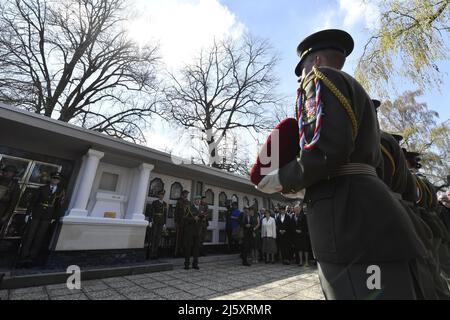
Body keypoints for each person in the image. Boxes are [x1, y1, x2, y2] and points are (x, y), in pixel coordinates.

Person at [255, 29, 428, 299]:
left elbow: (326, 150)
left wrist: (282, 178)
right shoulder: (355, 92)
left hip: (346, 223)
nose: (301, 80)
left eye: (302, 72)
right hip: (371, 216)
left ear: (316, 63)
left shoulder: (320, 80)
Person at [19, 172, 65, 267]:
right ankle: (24, 255)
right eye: (54, 178)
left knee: (40, 236)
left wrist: (54, 217)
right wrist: (29, 213)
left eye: (57, 179)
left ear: (59, 181)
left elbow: (59, 206)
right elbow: (33, 201)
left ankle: (32, 256)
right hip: (37, 213)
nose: (55, 180)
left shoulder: (60, 191)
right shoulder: (42, 188)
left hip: (48, 216)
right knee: (30, 234)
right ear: (51, 179)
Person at [180, 192, 201, 270]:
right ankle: (187, 264)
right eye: (197, 200)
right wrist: (193, 218)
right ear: (194, 200)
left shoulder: (201, 209)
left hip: (198, 230)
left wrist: (204, 219)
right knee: (188, 247)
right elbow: (184, 219)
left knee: (196, 248)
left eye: (199, 200)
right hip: (190, 230)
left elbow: (202, 220)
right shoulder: (189, 208)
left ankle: (195, 264)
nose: (198, 201)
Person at [146, 190, 167, 259]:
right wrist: (150, 221)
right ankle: (151, 253)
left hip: (161, 222)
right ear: (158, 195)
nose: (161, 196)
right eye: (160, 195)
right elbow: (151, 212)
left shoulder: (165, 204)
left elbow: (165, 214)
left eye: (162, 195)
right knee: (153, 236)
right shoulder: (155, 202)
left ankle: (156, 253)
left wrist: (164, 223)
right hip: (155, 221)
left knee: (158, 237)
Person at [0, 165, 21, 235]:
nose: (7, 173)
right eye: (6, 171)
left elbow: (13, 203)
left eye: (10, 172)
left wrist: (6, 215)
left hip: (2, 210)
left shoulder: (15, 186)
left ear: (13, 174)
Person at [174, 190, 190, 257]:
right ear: (183, 194)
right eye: (185, 194)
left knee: (185, 238)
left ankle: (183, 251)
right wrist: (176, 221)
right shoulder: (179, 202)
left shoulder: (188, 202)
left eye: (187, 194)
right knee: (178, 238)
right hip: (180, 222)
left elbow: (189, 213)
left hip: (186, 223)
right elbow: (176, 212)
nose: (186, 195)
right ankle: (177, 252)